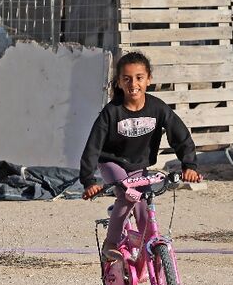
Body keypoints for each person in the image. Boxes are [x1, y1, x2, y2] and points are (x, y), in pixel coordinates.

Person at [80, 51, 202, 262]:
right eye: (126, 79)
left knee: (145, 208)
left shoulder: (158, 108)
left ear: (149, 79)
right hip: (111, 162)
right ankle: (110, 244)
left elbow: (181, 136)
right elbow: (93, 146)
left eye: (139, 77)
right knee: (129, 195)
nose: (133, 84)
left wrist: (189, 165)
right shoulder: (112, 112)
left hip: (138, 166)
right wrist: (89, 181)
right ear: (118, 82)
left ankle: (149, 254)